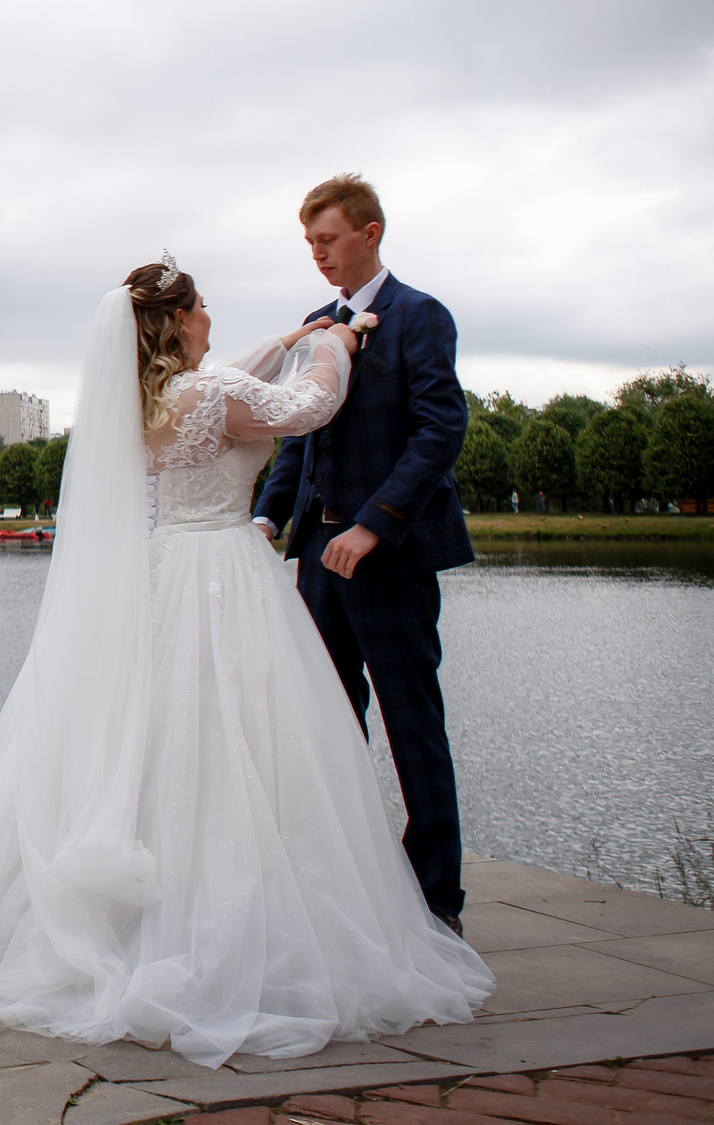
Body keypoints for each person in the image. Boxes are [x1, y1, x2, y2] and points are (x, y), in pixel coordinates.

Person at [0, 258, 489, 1068]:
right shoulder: (210, 397)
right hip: (223, 578)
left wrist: (286, 335)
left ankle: (164, 910)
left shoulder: (150, 402)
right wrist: (338, 343)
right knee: (239, 743)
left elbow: (231, 381)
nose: (212, 317)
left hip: (168, 572)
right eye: (202, 307)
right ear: (175, 322)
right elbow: (311, 409)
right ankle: (244, 924)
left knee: (171, 740)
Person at [252, 174, 475, 932]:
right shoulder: (319, 324)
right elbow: (298, 434)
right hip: (317, 558)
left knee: (414, 726)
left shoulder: (420, 316)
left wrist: (374, 523)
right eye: (309, 242)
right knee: (330, 727)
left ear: (370, 233)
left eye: (329, 239)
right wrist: (265, 520)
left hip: (391, 556)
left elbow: (439, 431)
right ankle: (345, 892)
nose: (317, 254)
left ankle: (436, 904)